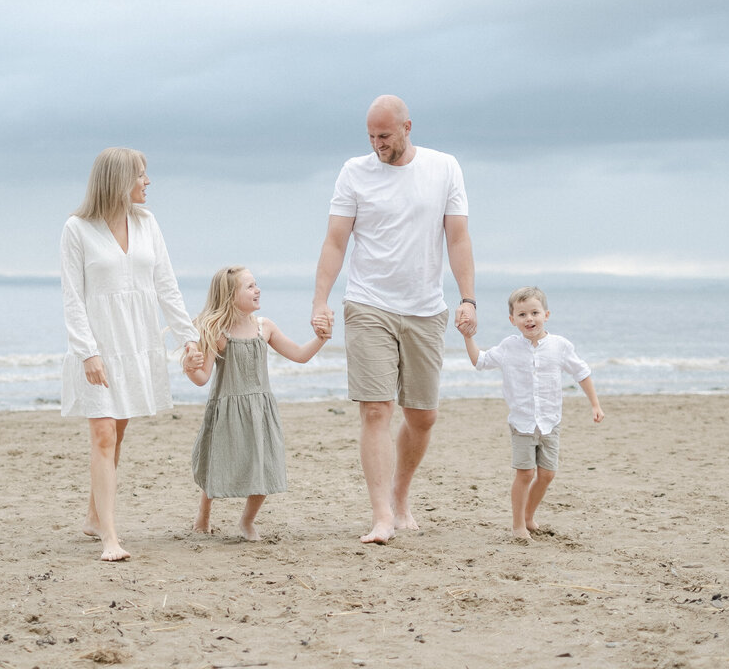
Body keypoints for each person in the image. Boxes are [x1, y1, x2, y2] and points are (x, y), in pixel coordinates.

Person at [311, 94, 477, 544]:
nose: (377, 144)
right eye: (370, 136)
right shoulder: (354, 172)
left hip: (425, 308)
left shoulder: (445, 168)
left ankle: (400, 493)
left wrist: (468, 299)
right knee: (375, 410)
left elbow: (458, 239)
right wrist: (320, 301)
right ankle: (382, 514)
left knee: (422, 416)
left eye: (384, 136)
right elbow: (334, 242)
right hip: (368, 304)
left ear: (407, 127)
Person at [60, 147, 201, 561]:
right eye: (141, 174)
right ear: (119, 179)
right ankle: (110, 538)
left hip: (136, 342)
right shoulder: (76, 229)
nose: (148, 182)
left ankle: (92, 516)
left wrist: (187, 337)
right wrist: (87, 352)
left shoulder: (147, 222)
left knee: (118, 433)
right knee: (103, 434)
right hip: (99, 347)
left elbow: (166, 284)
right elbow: (72, 298)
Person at [183, 266, 332, 540]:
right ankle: (203, 513)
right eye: (249, 286)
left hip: (261, 411)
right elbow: (202, 378)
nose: (257, 290)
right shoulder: (217, 332)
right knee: (217, 464)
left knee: (264, 467)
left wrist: (320, 339)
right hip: (227, 411)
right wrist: (189, 364)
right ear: (229, 296)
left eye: (256, 284)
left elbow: (299, 356)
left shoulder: (265, 327)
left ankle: (247, 521)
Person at [463, 286, 605, 542]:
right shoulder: (509, 347)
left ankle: (529, 516)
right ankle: (518, 524)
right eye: (522, 315)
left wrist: (595, 404)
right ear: (512, 320)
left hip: (551, 422)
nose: (529, 319)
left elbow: (581, 372)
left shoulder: (560, 346)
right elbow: (480, 361)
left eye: (535, 313)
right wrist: (467, 337)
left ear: (546, 315)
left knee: (547, 474)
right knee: (525, 473)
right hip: (522, 423)